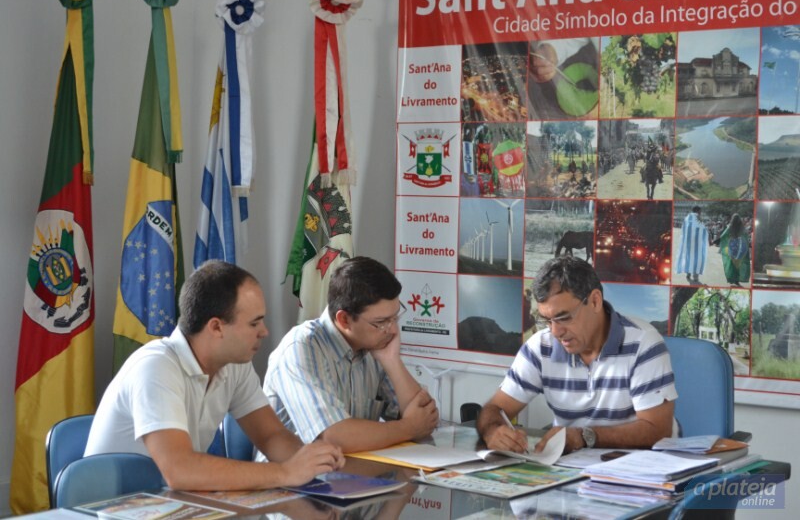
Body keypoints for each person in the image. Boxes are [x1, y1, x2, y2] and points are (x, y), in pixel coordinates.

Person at [84, 260, 344, 491]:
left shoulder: (234, 364)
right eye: (254, 323)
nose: (264, 331)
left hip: (167, 504)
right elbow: (180, 470)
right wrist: (285, 472)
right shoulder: (155, 367)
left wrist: (313, 460)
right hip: (107, 509)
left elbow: (270, 436)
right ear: (217, 327)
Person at [477, 256, 676, 454]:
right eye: (546, 320)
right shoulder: (540, 347)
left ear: (595, 301)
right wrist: (492, 431)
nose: (555, 331)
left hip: (640, 466)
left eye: (564, 317)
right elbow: (494, 408)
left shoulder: (643, 342)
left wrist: (584, 437)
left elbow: (658, 431)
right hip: (570, 466)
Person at [261, 256, 439, 455]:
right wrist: (408, 428)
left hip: (351, 469)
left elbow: (425, 416)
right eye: (381, 322)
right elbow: (333, 437)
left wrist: (392, 361)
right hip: (290, 472)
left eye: (395, 317)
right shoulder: (301, 348)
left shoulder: (375, 345)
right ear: (344, 319)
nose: (392, 330)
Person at [675, 206, 709, 285]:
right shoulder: (698, 218)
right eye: (700, 211)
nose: (700, 213)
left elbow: (683, 230)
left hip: (688, 243)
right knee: (697, 259)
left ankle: (688, 273)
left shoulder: (687, 218)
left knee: (689, 258)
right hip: (697, 243)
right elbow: (703, 230)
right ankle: (695, 277)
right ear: (697, 211)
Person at [718, 213, 751, 287]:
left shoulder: (730, 227)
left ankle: (732, 278)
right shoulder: (742, 227)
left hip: (732, 247)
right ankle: (737, 280)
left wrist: (724, 241)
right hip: (740, 248)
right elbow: (746, 236)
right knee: (739, 264)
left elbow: (723, 235)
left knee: (731, 264)